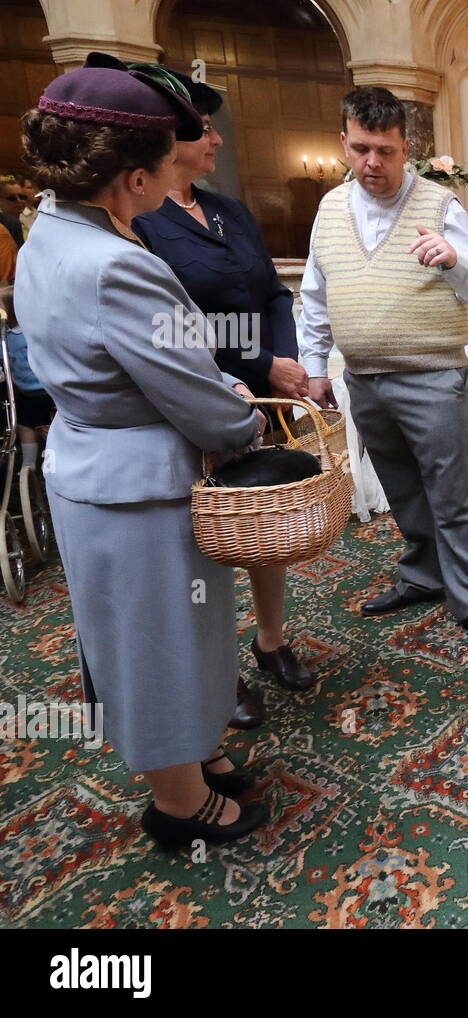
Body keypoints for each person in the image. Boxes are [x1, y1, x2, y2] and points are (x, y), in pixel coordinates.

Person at [15, 54, 269, 848]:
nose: (177, 169)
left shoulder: (44, 233)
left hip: (94, 470)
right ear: (132, 179)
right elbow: (197, 398)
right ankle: (178, 804)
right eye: (166, 158)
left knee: (173, 634)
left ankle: (195, 756)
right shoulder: (119, 266)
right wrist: (243, 419)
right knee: (155, 644)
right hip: (136, 488)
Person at [299, 86, 468, 660]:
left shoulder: (440, 205)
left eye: (385, 151)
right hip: (362, 376)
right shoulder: (329, 209)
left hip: (432, 375)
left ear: (406, 148)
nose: (372, 163)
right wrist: (316, 366)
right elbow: (316, 295)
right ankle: (424, 573)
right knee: (400, 484)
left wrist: (455, 258)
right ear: (344, 143)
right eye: (362, 148)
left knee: (452, 490)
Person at [133, 68, 317, 730]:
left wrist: (284, 363)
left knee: (263, 529)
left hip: (260, 399)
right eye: (204, 128)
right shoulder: (141, 226)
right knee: (204, 546)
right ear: (169, 140)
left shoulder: (227, 210)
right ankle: (217, 672)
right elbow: (173, 330)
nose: (215, 140)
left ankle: (270, 643)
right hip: (196, 403)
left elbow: (271, 292)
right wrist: (263, 362)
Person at [0, 284, 53, 467]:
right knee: (25, 426)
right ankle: (29, 466)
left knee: (45, 428)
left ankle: (50, 463)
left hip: (44, 390)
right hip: (24, 392)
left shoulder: (27, 334)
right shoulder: (6, 335)